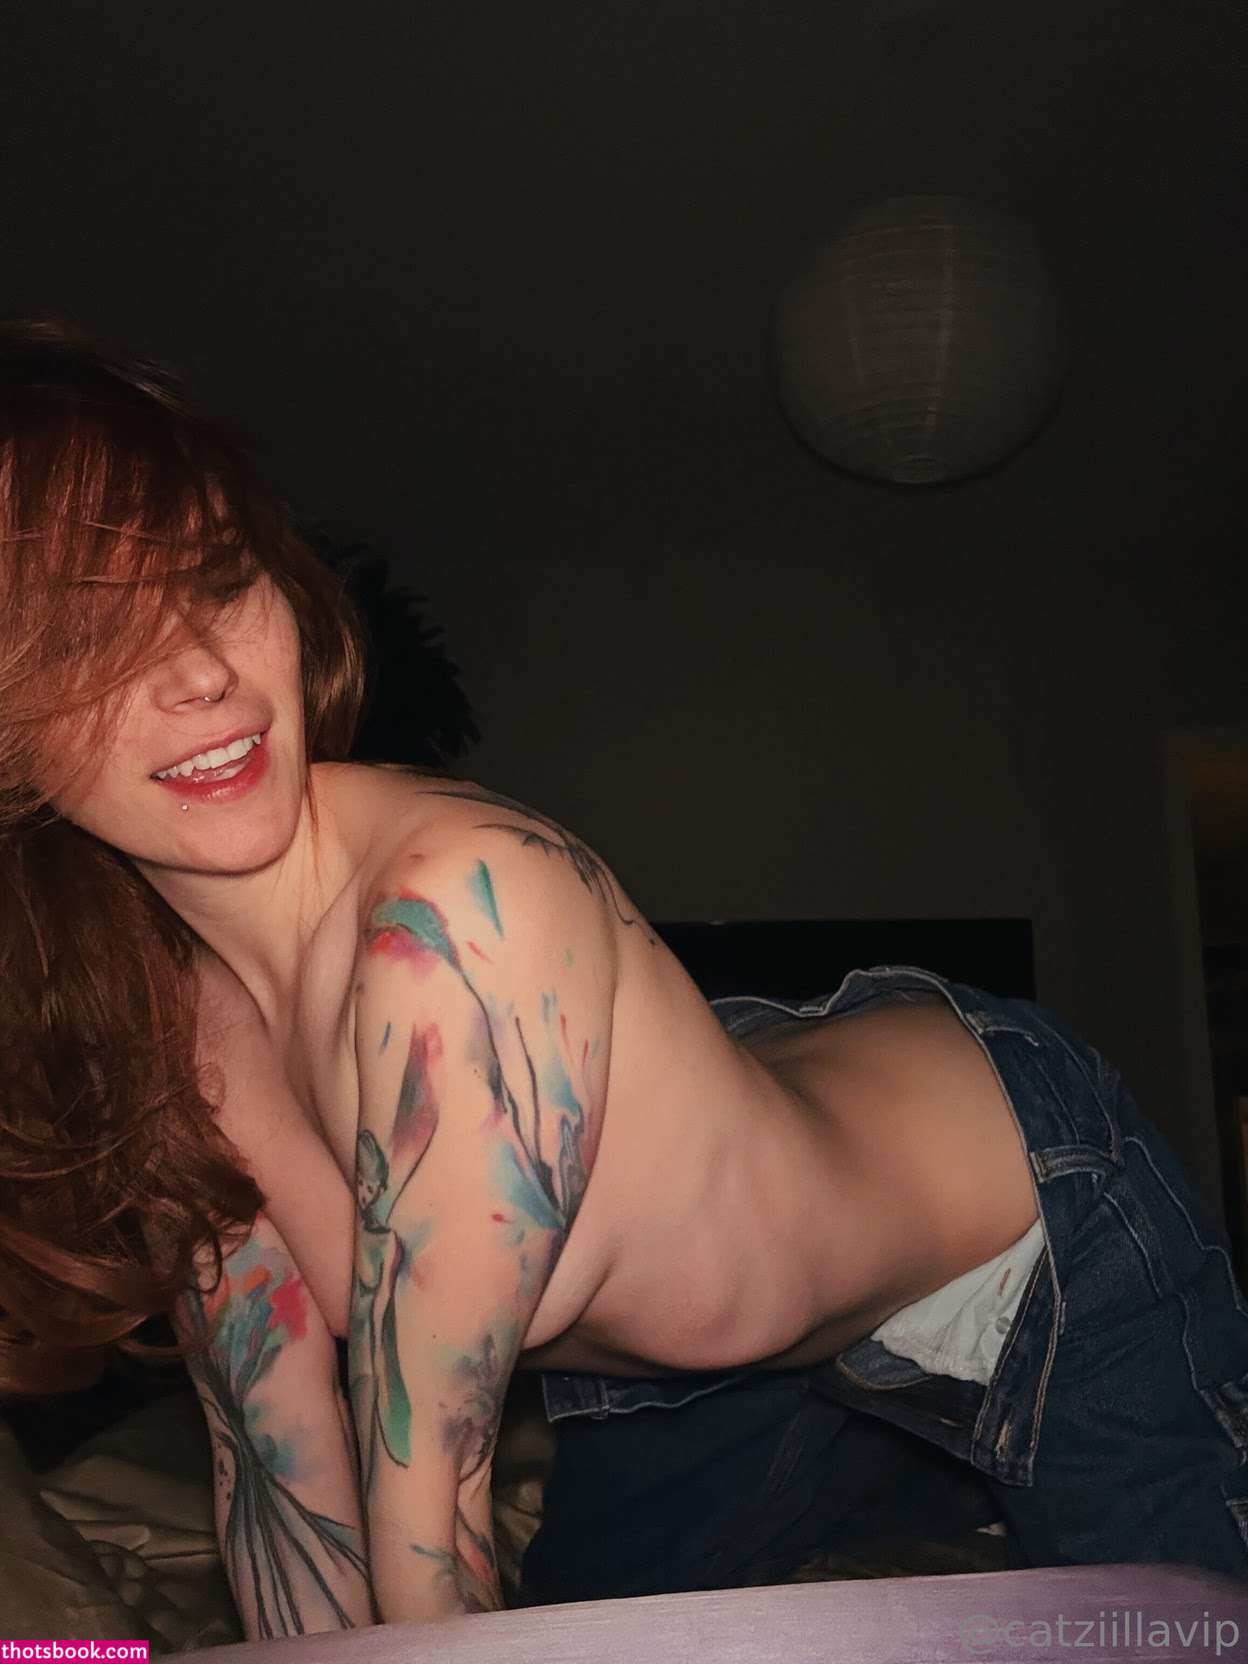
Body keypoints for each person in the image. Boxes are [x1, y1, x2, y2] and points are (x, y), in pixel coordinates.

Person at [2, 316, 1246, 1642]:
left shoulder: (455, 924)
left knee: (1186, 1628)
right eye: (88, 642)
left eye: (215, 581)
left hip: (1021, 1223)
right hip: (703, 1335)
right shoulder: (177, 1037)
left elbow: (428, 1536)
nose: (201, 674)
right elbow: (275, 1478)